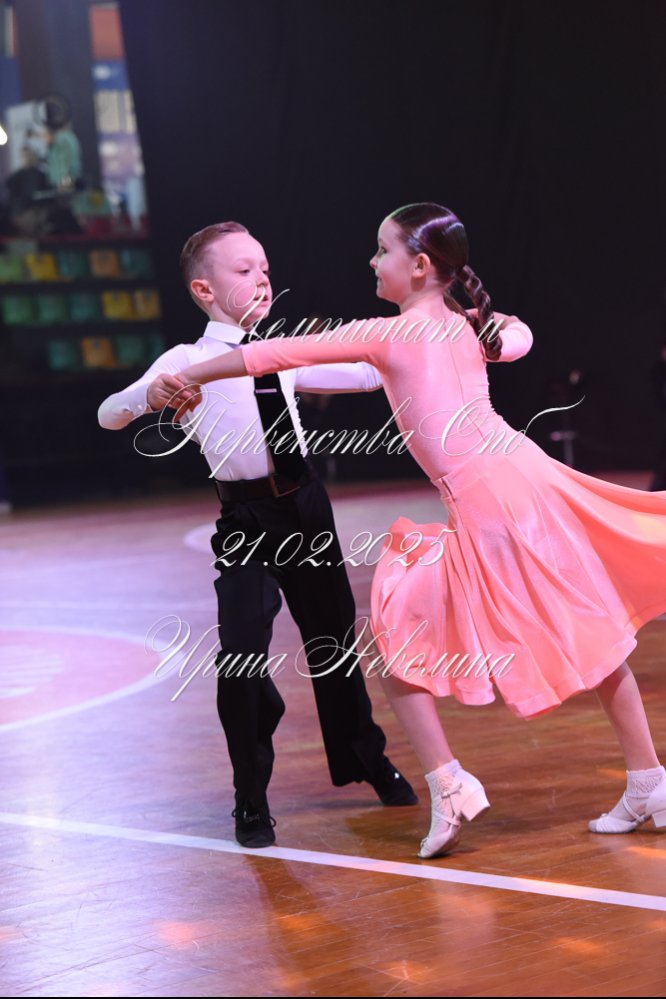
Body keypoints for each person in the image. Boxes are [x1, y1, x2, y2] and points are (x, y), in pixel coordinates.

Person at [174, 203, 666, 859]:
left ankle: (452, 784)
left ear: (420, 265)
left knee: (396, 631)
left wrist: (185, 376)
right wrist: (504, 329)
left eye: (383, 250)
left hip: (493, 501)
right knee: (590, 633)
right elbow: (517, 336)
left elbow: (267, 353)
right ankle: (648, 782)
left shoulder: (392, 334)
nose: (372, 261)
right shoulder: (463, 324)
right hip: (522, 481)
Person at [98, 222, 417, 850]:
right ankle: (250, 795)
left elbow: (367, 375)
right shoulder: (187, 362)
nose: (262, 279)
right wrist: (150, 395)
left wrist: (431, 338)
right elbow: (110, 414)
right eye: (244, 271)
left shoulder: (281, 351)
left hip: (306, 509)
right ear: (204, 289)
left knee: (334, 643)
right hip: (244, 520)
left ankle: (366, 757)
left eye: (265, 268)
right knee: (241, 656)